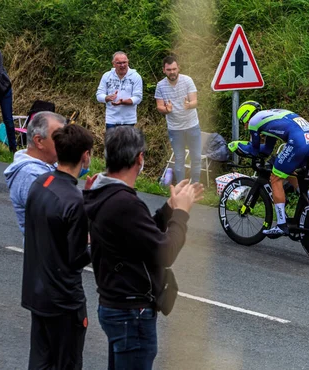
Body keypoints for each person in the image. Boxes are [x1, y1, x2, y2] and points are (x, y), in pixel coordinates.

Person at [83, 126, 204, 369]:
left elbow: (140, 234)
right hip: (131, 313)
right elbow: (165, 251)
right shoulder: (124, 202)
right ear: (140, 158)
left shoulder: (103, 192)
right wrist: (181, 213)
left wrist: (169, 207)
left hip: (116, 305)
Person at [22, 124, 94, 369]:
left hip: (37, 291)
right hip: (64, 301)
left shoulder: (41, 182)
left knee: (40, 361)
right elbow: (76, 258)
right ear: (85, 155)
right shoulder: (74, 201)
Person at [230, 101, 309, 237]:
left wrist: (236, 145)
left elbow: (254, 150)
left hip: (299, 142)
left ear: (246, 115)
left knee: (275, 178)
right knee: (288, 171)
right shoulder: (268, 116)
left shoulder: (254, 121)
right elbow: (267, 149)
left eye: (242, 121)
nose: (245, 126)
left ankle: (281, 225)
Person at [4, 111, 66, 236]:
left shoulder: (47, 164)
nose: (65, 143)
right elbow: (56, 215)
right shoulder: (31, 175)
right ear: (39, 141)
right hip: (45, 250)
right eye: (59, 138)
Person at [155, 55, 201, 183]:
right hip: (175, 128)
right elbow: (159, 106)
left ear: (178, 68)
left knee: (196, 157)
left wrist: (189, 105)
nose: (172, 72)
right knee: (179, 158)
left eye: (174, 69)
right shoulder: (160, 85)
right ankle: (181, 187)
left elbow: (195, 101)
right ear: (164, 70)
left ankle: (195, 186)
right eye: (169, 70)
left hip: (192, 125)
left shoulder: (187, 80)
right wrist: (166, 110)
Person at [96, 51, 143, 131]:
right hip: (111, 119)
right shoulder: (107, 76)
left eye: (124, 62)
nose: (122, 65)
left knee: (127, 143)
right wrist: (107, 97)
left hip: (129, 119)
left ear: (128, 62)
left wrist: (123, 102)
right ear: (113, 64)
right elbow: (99, 95)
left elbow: (138, 97)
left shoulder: (136, 76)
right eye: (119, 63)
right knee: (112, 143)